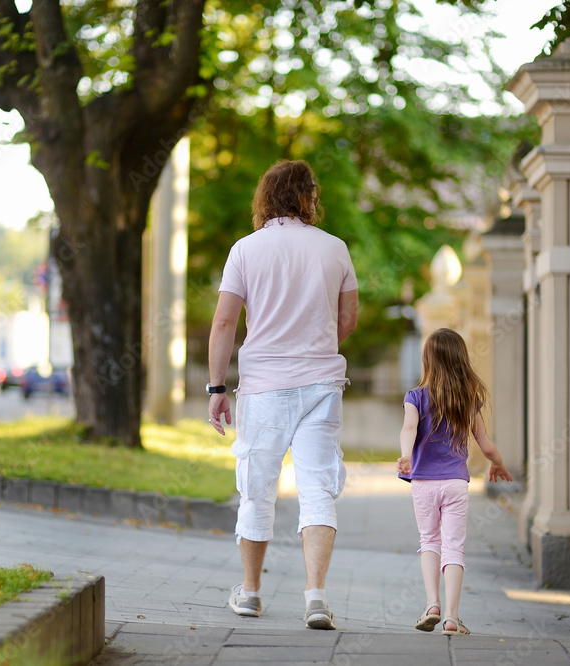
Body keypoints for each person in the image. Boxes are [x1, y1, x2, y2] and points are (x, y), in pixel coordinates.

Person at [207, 159, 359, 630]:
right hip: (321, 385)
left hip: (264, 386)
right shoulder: (335, 249)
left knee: (257, 489)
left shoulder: (245, 250)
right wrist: (314, 345)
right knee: (318, 489)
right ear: (309, 196)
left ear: (266, 197)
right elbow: (347, 320)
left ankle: (250, 594)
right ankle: (315, 598)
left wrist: (216, 387)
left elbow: (225, 323)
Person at [396, 328, 512, 636]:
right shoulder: (467, 399)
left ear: (427, 360)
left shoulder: (415, 397)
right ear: (461, 359)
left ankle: (432, 604)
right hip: (456, 484)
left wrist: (406, 455)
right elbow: (485, 444)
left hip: (422, 482)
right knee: (454, 547)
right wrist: (498, 463)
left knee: (429, 542)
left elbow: (409, 428)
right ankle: (451, 616)